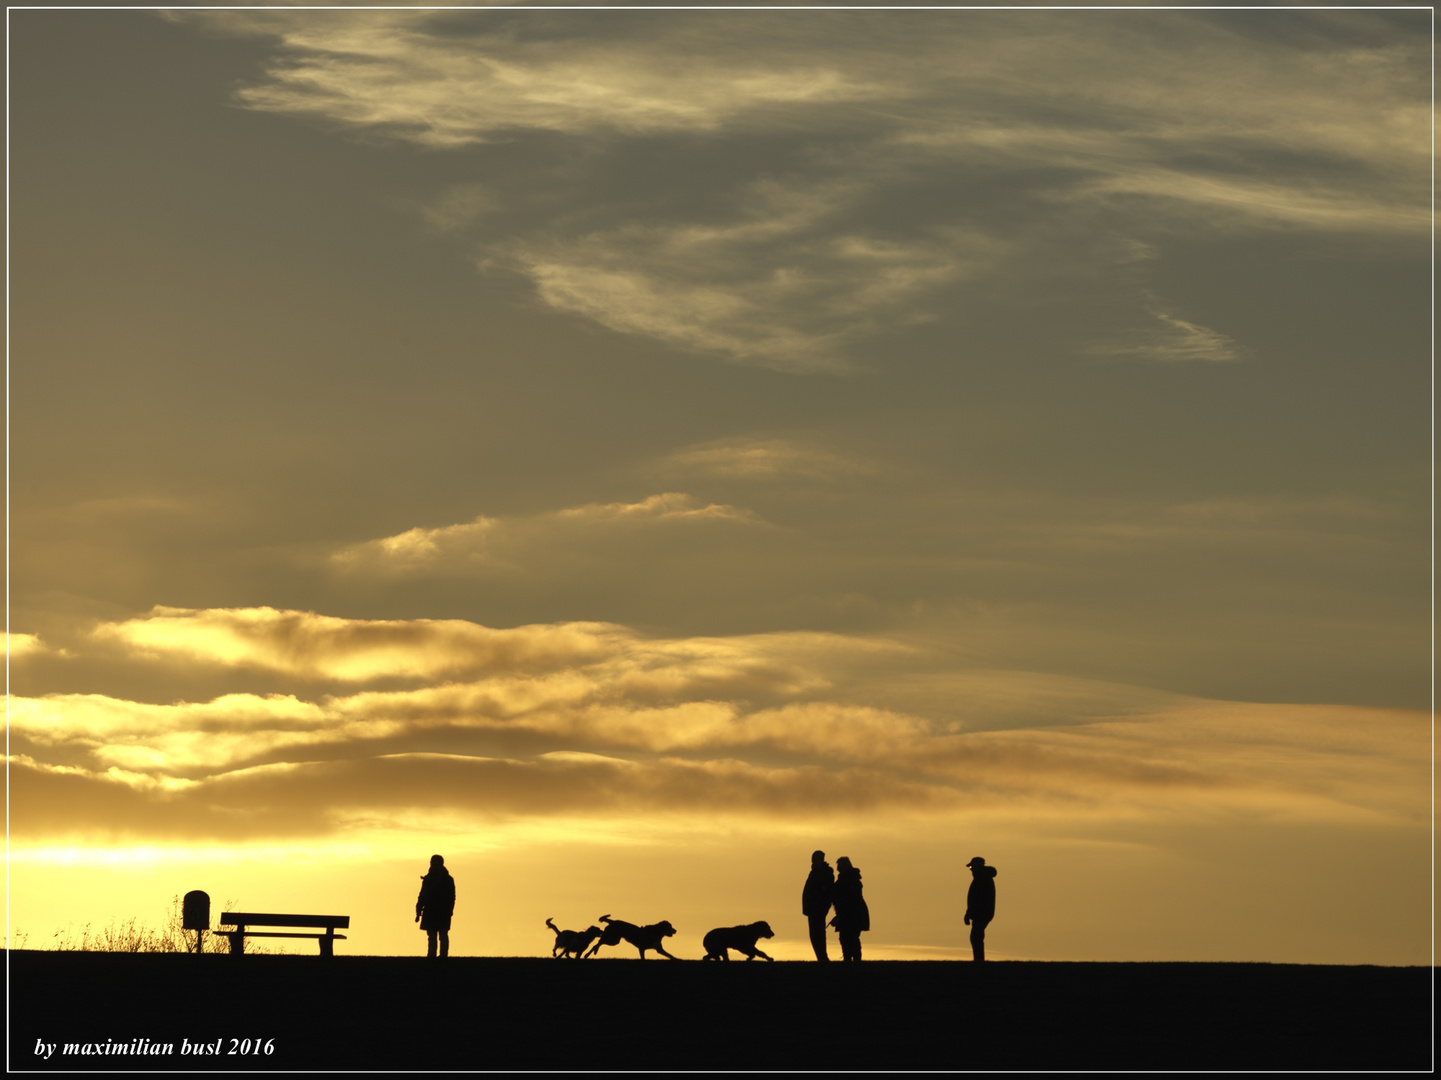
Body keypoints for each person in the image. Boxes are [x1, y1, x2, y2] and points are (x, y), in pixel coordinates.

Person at [829, 856, 869, 962]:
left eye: (840, 866)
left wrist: (842, 914)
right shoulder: (848, 879)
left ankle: (853, 959)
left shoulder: (850, 880)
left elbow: (850, 899)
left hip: (852, 914)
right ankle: (850, 959)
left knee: (850, 938)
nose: (838, 868)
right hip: (849, 913)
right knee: (847, 938)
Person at [415, 854, 455, 959]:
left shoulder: (446, 879)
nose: (432, 864)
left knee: (442, 934)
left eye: (434, 862)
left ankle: (442, 956)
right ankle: (432, 956)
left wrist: (449, 910)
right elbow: (422, 895)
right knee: (432, 935)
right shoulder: (429, 879)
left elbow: (451, 897)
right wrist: (418, 911)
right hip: (432, 910)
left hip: (442, 911)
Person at [801, 850, 835, 962]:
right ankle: (821, 957)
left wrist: (820, 904)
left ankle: (822, 958)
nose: (815, 861)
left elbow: (826, 892)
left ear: (822, 860)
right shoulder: (815, 872)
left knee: (818, 933)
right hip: (813, 908)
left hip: (818, 908)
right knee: (814, 934)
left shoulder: (825, 873)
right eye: (814, 859)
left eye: (817, 859)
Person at [963, 856, 997, 962]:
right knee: (976, 936)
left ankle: (979, 960)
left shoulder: (982, 879)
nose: (971, 869)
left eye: (972, 867)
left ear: (977, 866)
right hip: (981, 913)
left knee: (976, 937)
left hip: (981, 914)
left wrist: (970, 913)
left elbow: (977, 899)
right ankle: (978, 959)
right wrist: (969, 913)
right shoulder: (982, 878)